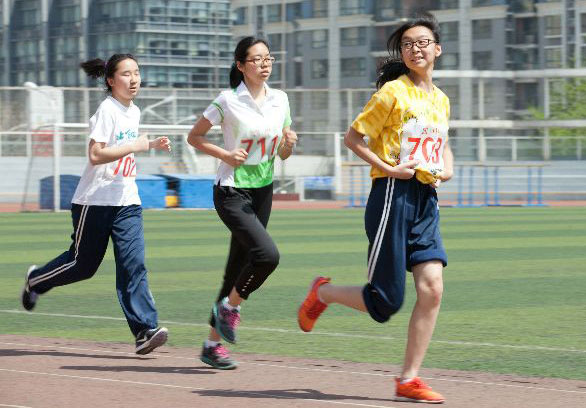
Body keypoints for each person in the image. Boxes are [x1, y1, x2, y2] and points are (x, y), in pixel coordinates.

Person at [297, 15, 453, 404]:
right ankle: (323, 292)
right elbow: (353, 137)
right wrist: (388, 168)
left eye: (423, 42)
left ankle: (408, 379)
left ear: (437, 49)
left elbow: (443, 143)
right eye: (408, 44)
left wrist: (447, 168)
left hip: (426, 199)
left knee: (432, 289)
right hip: (391, 196)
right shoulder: (392, 93)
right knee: (386, 302)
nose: (415, 49)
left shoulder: (441, 99)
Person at [21, 54, 172, 355]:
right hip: (95, 201)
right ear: (111, 80)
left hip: (127, 200)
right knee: (83, 266)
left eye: (137, 72)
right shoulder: (107, 110)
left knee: (133, 264)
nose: (134, 79)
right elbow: (96, 154)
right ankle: (36, 280)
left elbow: (125, 151)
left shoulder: (133, 111)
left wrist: (151, 144)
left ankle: (144, 330)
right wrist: (137, 145)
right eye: (126, 74)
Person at [187, 37, 297, 370]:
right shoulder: (227, 100)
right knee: (267, 256)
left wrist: (289, 144)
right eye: (257, 59)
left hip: (263, 190)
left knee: (236, 269)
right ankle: (230, 307)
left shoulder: (280, 99)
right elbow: (195, 136)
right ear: (240, 65)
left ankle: (212, 346)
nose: (264, 64)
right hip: (232, 191)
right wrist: (225, 154)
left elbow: (283, 153)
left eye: (269, 58)